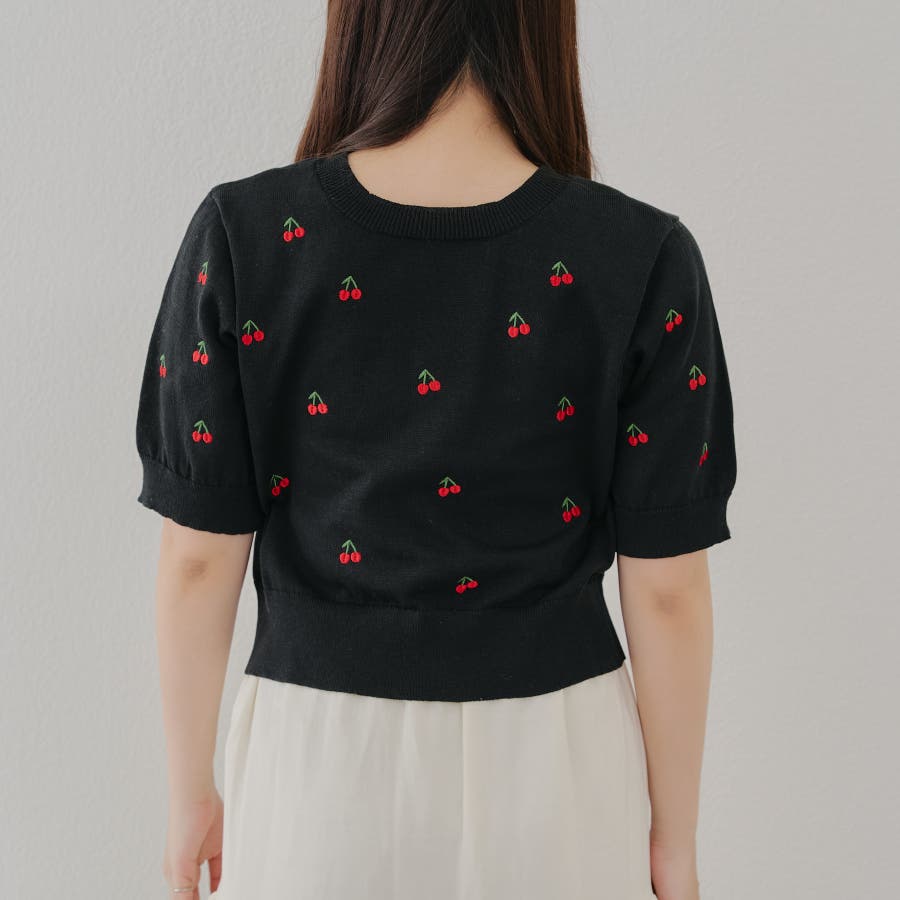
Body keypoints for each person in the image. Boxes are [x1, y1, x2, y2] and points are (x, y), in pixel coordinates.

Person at [135, 2, 737, 898]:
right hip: (558, 767)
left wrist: (191, 793)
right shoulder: (639, 254)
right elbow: (670, 591)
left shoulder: (244, 233)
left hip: (317, 764)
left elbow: (196, 560)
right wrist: (674, 839)